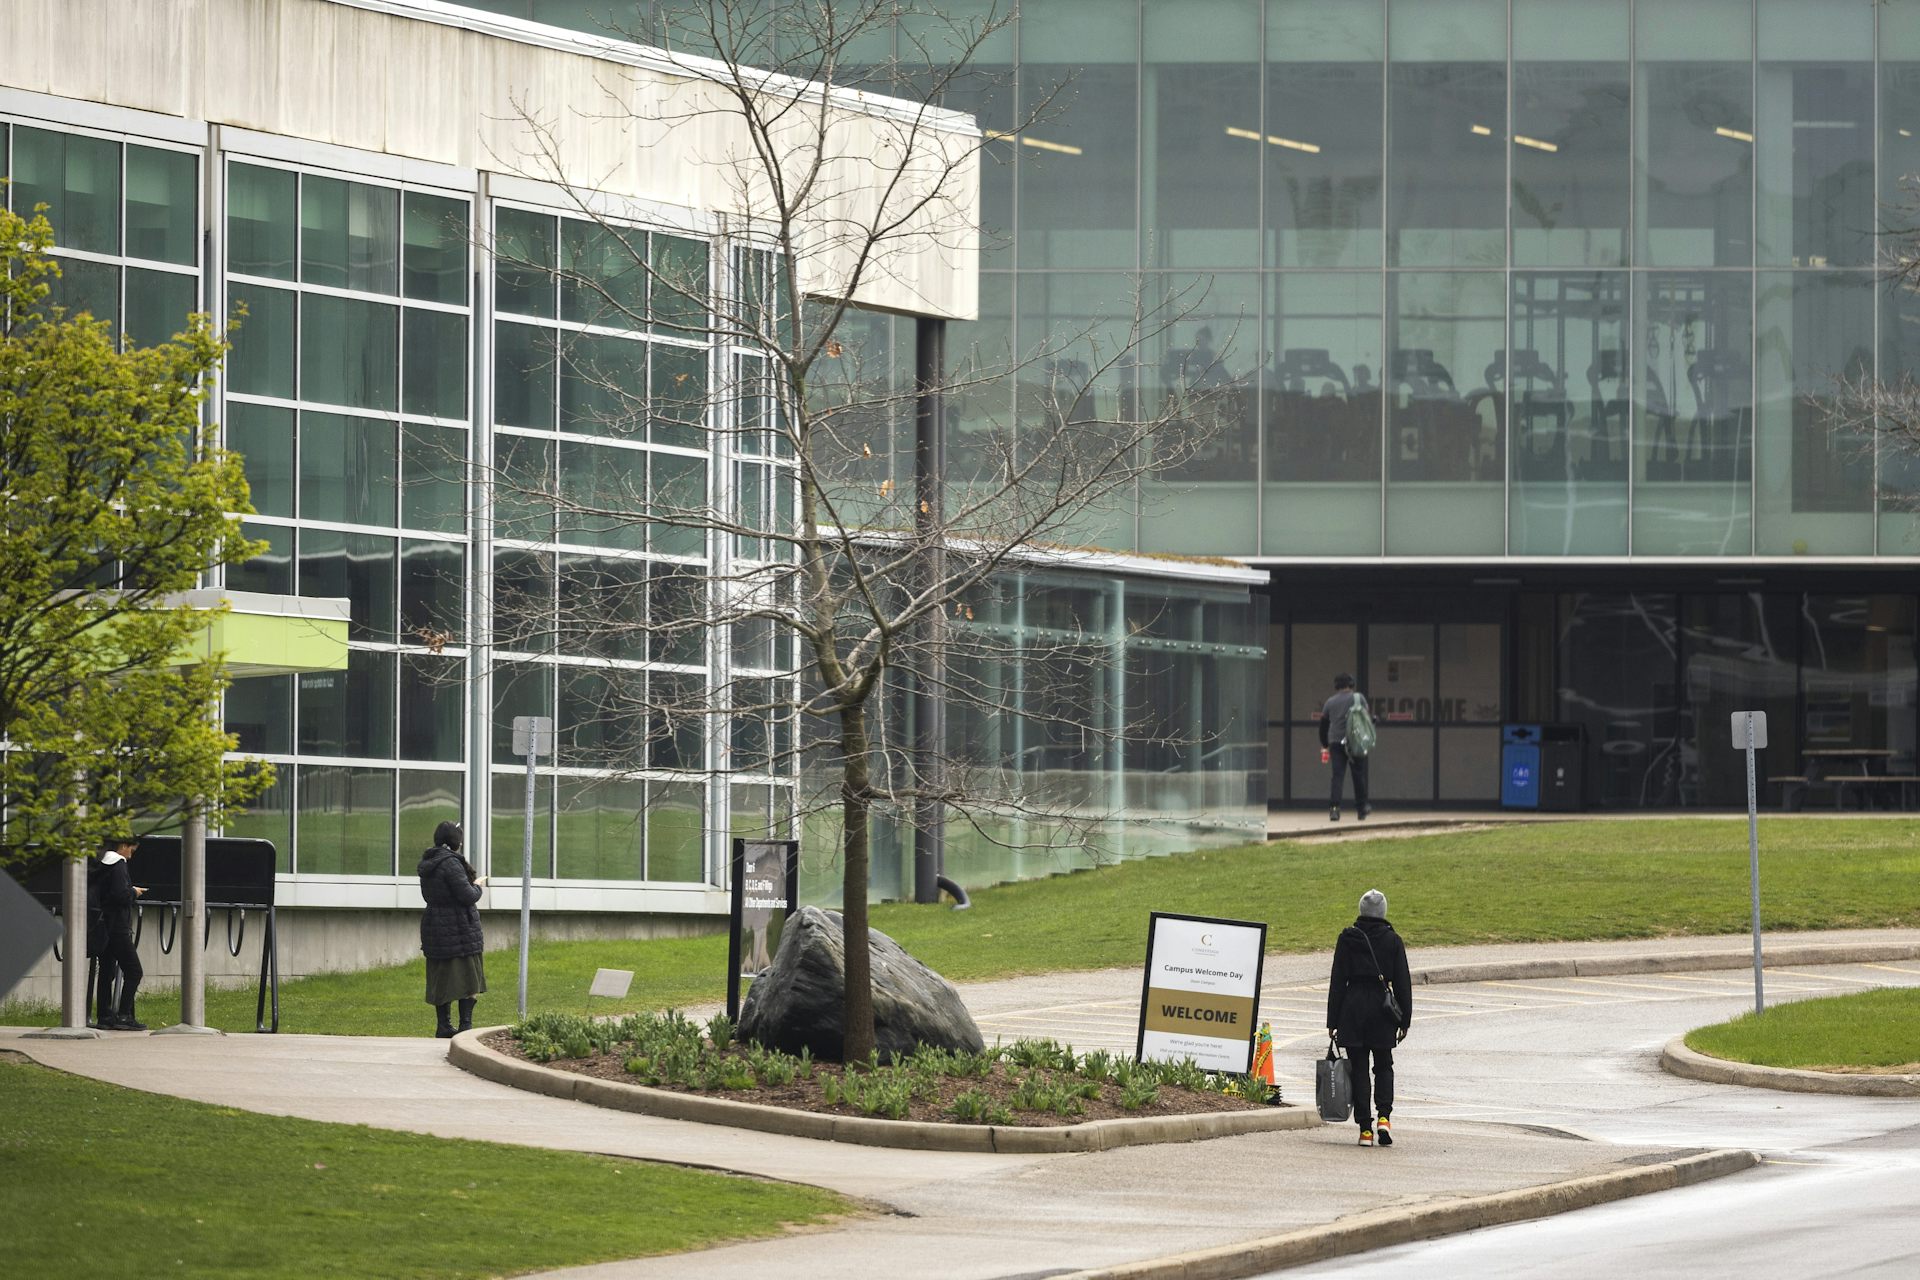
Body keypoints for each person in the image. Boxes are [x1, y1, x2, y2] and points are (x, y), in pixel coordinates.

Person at [1326, 889, 1412, 1148]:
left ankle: (1365, 1129)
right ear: (1383, 912)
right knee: (1383, 1065)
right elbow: (1403, 983)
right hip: (1382, 1010)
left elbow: (1338, 981)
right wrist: (1404, 1020)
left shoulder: (1347, 938)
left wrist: (1333, 1021)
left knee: (1359, 1069)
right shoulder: (1393, 940)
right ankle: (1384, 1117)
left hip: (1352, 1008)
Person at [418, 821, 486, 1038]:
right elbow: (467, 895)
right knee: (469, 976)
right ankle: (465, 1026)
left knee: (442, 976)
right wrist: (477, 886)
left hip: (435, 926)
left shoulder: (429, 862)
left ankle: (444, 1026)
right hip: (459, 927)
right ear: (455, 841)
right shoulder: (452, 864)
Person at [91, 836, 147, 1031]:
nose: (131, 856)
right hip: (118, 927)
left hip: (103, 925)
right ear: (123, 846)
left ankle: (104, 1015)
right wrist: (133, 892)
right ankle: (124, 1015)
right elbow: (120, 895)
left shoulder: (101, 864)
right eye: (131, 850)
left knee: (107, 972)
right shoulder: (119, 865)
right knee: (134, 971)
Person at [1319, 672, 1371, 821]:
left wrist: (1325, 744)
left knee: (1337, 776)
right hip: (1354, 742)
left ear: (1337, 686)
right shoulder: (1358, 698)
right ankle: (1362, 809)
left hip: (1335, 743)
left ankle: (1334, 810)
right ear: (1351, 684)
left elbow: (1323, 725)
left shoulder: (1330, 702)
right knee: (1358, 775)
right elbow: (1367, 718)